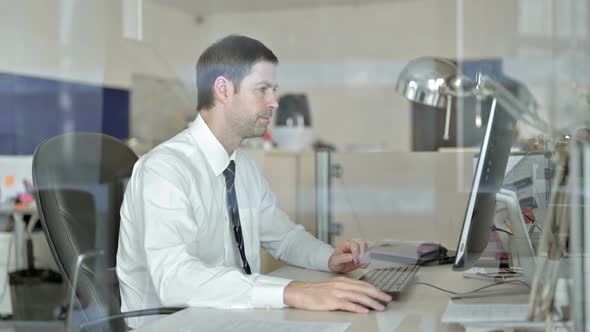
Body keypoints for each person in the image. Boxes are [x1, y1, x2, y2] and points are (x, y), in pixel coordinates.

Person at [116, 35, 391, 328]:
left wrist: (329, 259)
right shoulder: (165, 170)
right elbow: (174, 279)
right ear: (223, 89)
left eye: (273, 90)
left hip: (233, 318)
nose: (273, 102)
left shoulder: (241, 165)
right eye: (262, 90)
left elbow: (283, 237)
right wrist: (292, 291)